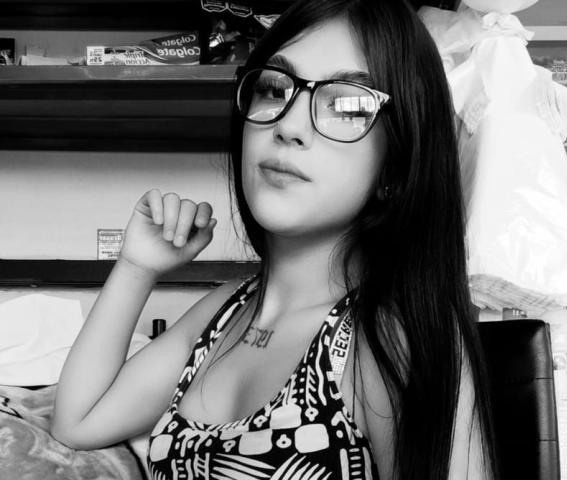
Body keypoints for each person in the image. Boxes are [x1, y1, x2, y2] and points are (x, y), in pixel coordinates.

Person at [51, 0, 499, 478]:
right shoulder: (223, 313)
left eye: (346, 105)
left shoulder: (392, 337)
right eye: (273, 88)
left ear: (396, 167)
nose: (288, 126)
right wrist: (137, 267)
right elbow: (78, 422)